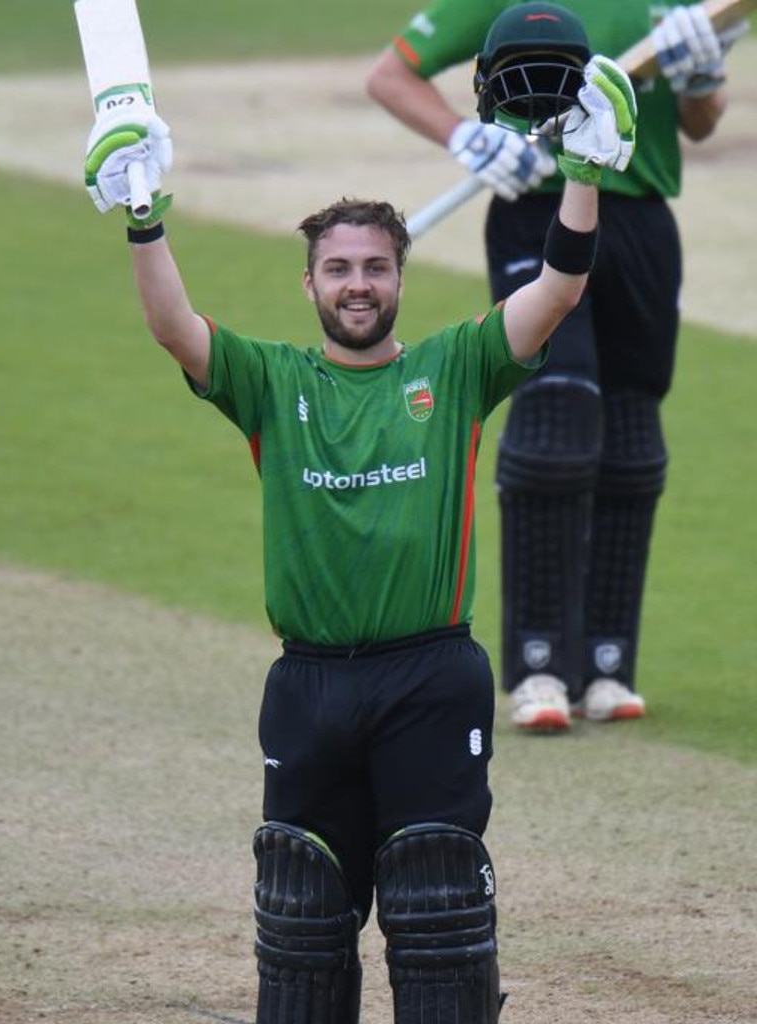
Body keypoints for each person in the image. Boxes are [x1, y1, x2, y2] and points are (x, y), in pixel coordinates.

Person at [82, 40, 636, 1023]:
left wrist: (587, 174)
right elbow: (175, 326)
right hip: (309, 682)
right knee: (300, 919)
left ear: (399, 280)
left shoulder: (458, 365)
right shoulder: (273, 382)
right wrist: (143, 211)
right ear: (309, 283)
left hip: (430, 676)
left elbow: (556, 294)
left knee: (439, 907)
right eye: (337, 268)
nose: (357, 283)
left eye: (375, 267)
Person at [367, 0, 749, 731]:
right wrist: (467, 136)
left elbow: (700, 122)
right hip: (533, 207)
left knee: (633, 441)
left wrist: (703, 77)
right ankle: (539, 667)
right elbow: (392, 76)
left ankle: (609, 664)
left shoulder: (673, 4)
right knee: (553, 425)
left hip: (639, 215)